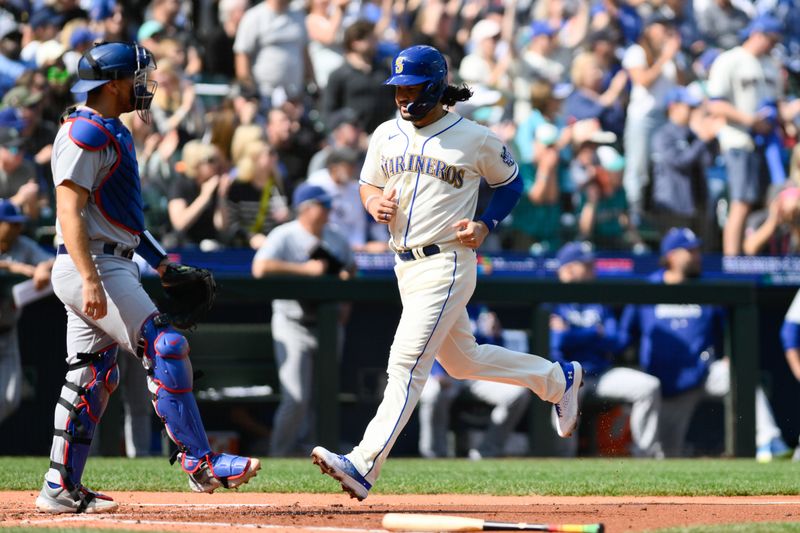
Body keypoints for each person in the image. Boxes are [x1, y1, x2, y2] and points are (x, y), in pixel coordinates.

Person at [310, 45, 582, 500]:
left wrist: (486, 223)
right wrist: (372, 201)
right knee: (462, 361)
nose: (402, 96)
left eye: (411, 87)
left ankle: (363, 464)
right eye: (398, 87)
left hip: (447, 261)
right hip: (405, 265)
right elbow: (367, 182)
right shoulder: (385, 133)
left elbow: (512, 183)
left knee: (405, 364)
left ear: (434, 87)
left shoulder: (472, 136)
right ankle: (557, 380)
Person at [36, 42, 259, 514]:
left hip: (106, 258)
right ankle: (200, 460)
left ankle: (60, 487)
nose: (144, 86)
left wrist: (160, 264)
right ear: (113, 84)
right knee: (164, 345)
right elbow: (69, 211)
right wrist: (89, 278)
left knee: (90, 376)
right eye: (137, 78)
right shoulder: (85, 131)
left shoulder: (107, 128)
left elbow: (124, 219)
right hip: (91, 264)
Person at [619, 227, 791, 460]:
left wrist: (731, 355)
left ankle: (769, 441)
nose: (697, 256)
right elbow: (623, 336)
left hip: (705, 374)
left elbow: (730, 325)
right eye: (690, 251)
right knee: (669, 456)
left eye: (698, 251)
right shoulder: (647, 289)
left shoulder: (708, 287)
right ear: (671, 256)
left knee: (741, 376)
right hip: (667, 386)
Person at [251, 183, 355, 456]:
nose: (329, 210)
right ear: (306, 208)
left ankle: (320, 456)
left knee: (325, 398)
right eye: (323, 205)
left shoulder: (335, 236)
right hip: (292, 322)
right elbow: (260, 268)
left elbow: (350, 269)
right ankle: (280, 456)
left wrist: (346, 301)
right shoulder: (285, 235)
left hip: (328, 326)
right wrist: (305, 270)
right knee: (296, 398)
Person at [550, 241, 663, 458]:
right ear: (569, 268)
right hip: (566, 375)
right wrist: (595, 333)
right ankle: (562, 463)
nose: (594, 270)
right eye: (587, 266)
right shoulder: (553, 299)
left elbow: (617, 340)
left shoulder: (598, 299)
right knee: (562, 397)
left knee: (649, 387)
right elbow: (557, 343)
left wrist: (575, 335)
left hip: (601, 373)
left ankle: (648, 457)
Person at [706, 15, 795, 255]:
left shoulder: (770, 65)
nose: (773, 45)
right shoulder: (730, 59)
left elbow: (779, 107)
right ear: (757, 34)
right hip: (739, 140)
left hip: (768, 145)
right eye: (771, 39)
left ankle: (759, 255)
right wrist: (751, 121)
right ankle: (732, 260)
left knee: (770, 203)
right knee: (741, 202)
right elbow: (714, 105)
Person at [418, 309, 531, 460]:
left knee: (518, 393)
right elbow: (425, 341)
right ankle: (434, 456)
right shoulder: (441, 300)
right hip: (444, 372)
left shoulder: (482, 310)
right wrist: (435, 372)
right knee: (433, 394)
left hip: (476, 375)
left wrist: (494, 336)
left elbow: (493, 352)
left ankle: (487, 452)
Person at [0, 199, 54, 425]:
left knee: (10, 397)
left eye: (18, 224)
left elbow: (53, 259)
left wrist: (43, 267)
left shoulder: (22, 244)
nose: (17, 228)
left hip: (7, 330)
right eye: (11, 224)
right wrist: (14, 267)